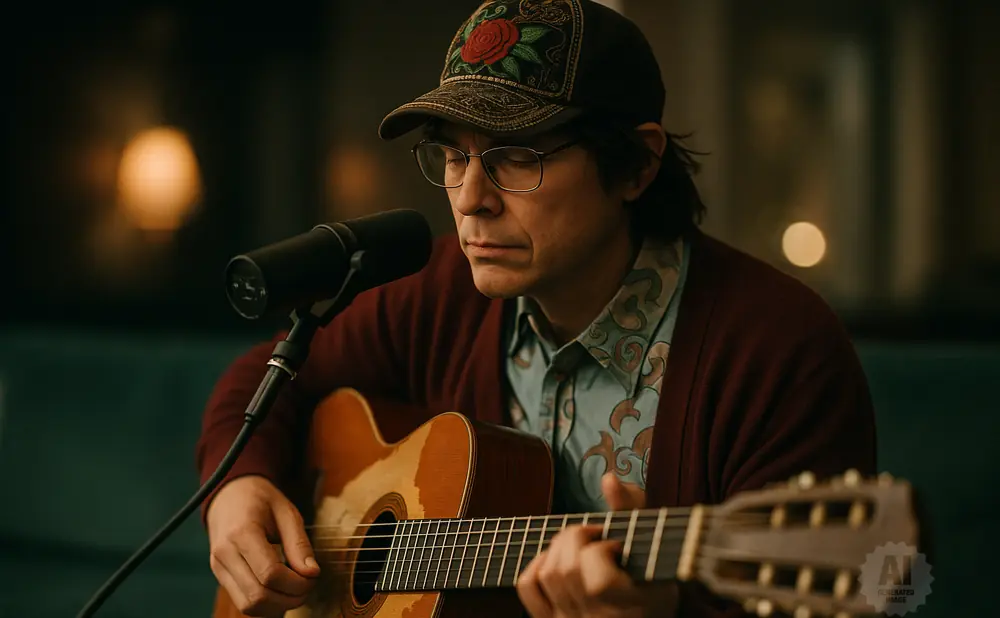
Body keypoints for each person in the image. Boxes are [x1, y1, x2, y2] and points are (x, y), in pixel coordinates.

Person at [196, 1, 877, 617]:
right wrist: (238, 487)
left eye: (515, 158)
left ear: (638, 165)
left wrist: (665, 607)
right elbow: (268, 375)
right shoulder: (440, 291)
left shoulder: (780, 348)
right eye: (453, 157)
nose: (469, 199)